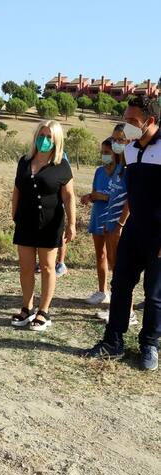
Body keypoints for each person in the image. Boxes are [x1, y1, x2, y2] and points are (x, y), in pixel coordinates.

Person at [83, 96, 161, 371]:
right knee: (121, 285)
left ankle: (149, 344)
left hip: (158, 234)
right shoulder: (130, 151)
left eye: (132, 121)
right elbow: (128, 192)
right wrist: (120, 223)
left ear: (150, 121)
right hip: (134, 229)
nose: (126, 125)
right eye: (125, 119)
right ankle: (113, 341)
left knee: (154, 294)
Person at [9, 120, 76, 331]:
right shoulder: (24, 161)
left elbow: (69, 196)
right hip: (25, 221)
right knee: (26, 267)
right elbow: (17, 189)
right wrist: (14, 212)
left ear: (56, 140)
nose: (44, 140)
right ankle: (27, 307)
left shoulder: (61, 165)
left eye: (49, 137)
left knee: (48, 267)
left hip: (50, 223)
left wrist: (72, 224)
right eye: (41, 135)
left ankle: (43, 311)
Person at [81, 134, 129, 307]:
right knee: (100, 255)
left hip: (112, 219)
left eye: (107, 152)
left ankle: (118, 296)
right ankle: (102, 291)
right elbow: (96, 193)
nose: (104, 155)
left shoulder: (122, 172)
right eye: (102, 152)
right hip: (97, 215)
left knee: (113, 257)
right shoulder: (99, 171)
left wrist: (101, 196)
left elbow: (120, 198)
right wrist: (89, 197)